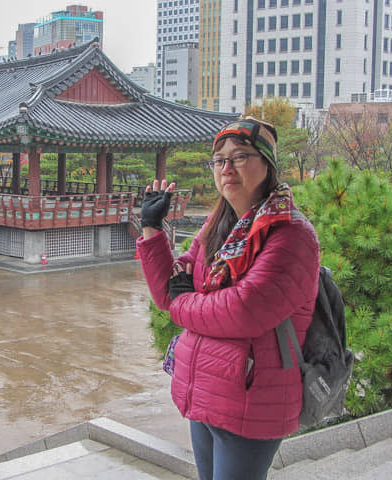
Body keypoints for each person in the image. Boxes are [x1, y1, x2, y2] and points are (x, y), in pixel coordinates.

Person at [136, 117, 320, 480]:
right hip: (206, 390)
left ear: (267, 165)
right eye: (219, 160)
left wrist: (183, 304)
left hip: (253, 399)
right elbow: (166, 293)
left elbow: (243, 311)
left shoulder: (292, 234)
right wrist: (152, 230)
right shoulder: (217, 227)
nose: (226, 168)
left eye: (240, 157)